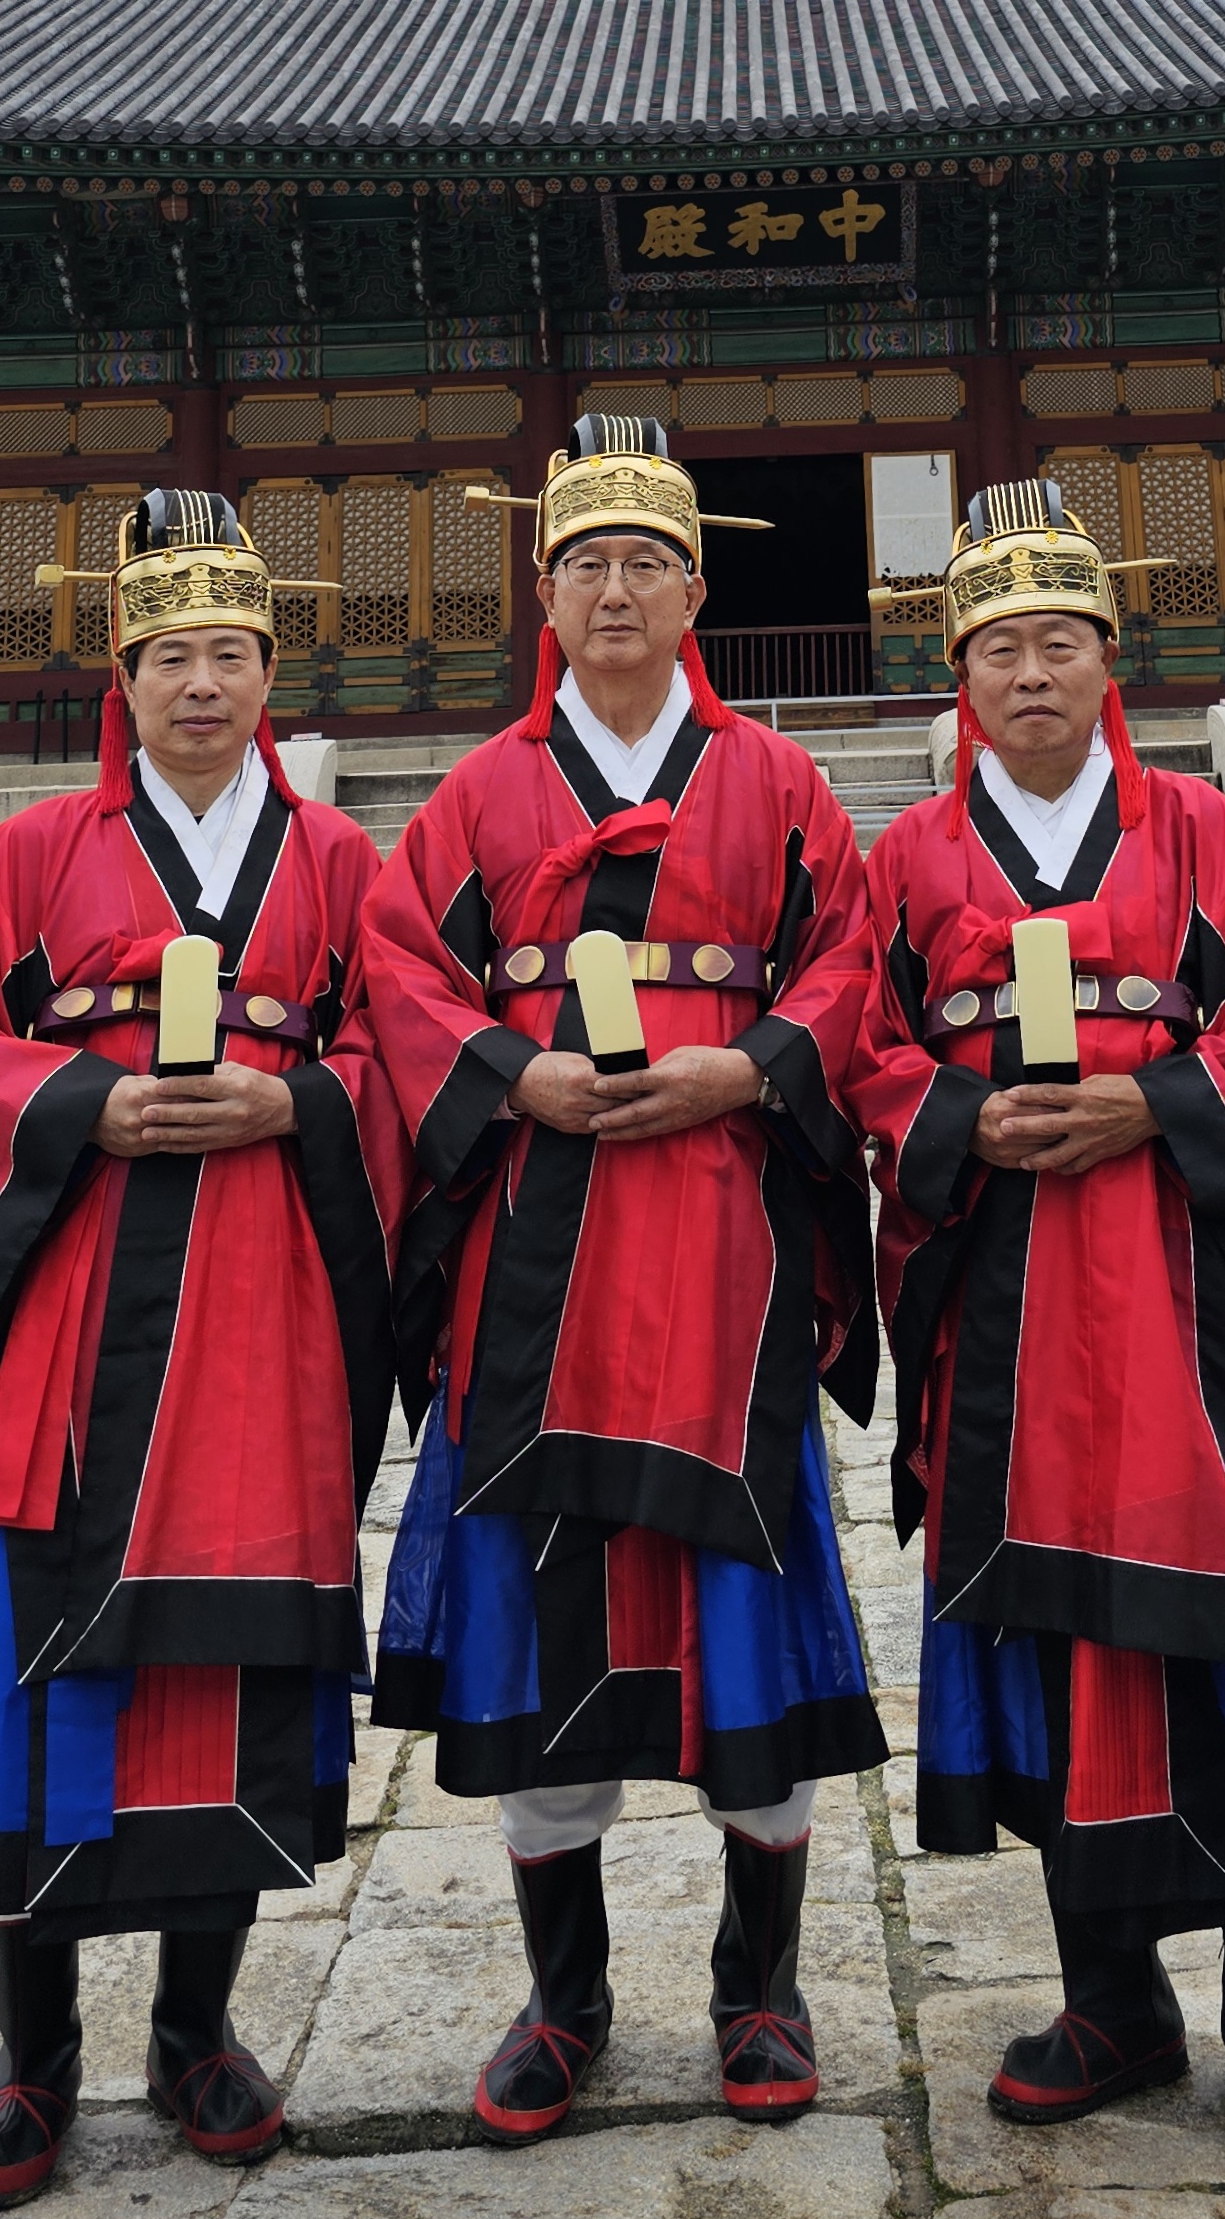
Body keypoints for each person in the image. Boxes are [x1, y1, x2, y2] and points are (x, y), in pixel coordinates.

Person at [846, 482, 1225, 2182]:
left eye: (1060, 640)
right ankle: (1112, 2000)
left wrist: (1149, 1104)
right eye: (998, 647)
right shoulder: (906, 861)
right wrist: (961, 1117)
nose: (1030, 672)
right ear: (959, 674)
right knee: (1048, 1641)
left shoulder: (1207, 835)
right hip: (1004, 1316)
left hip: (1188, 1303)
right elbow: (863, 1050)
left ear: (1111, 656)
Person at [361, 417, 885, 2141]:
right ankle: (564, 1996)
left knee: (745, 1627)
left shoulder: (781, 782)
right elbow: (398, 970)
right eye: (584, 562)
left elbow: (851, 958)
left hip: (724, 1237)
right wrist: (515, 1073)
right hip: (537, 1253)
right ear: (544, 593)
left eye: (645, 562)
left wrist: (749, 1067)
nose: (613, 589)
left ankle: (760, 1985)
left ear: (695, 592)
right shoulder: (477, 793)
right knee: (543, 1622)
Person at [0, 492, 404, 2205]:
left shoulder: (340, 867)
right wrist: (83, 1101)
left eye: (231, 653)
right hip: (72, 1309)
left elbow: (399, 1061)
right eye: (171, 654)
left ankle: (198, 2030)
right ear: (122, 675)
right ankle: (31, 2056)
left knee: (232, 1669)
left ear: (271, 672)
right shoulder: (28, 854)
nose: (202, 683)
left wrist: (296, 1100)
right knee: (46, 1669)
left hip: (262, 1308)